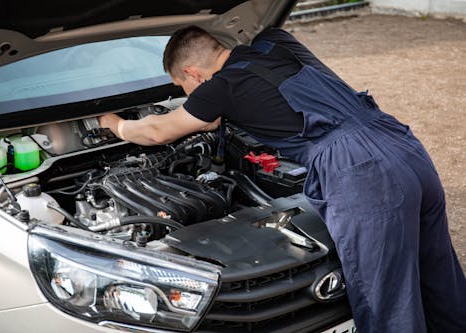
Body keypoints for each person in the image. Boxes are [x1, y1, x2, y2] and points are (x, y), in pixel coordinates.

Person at [99, 26, 466, 332]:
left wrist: (114, 124)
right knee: (436, 269)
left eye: (184, 87)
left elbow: (158, 132)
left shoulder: (219, 87)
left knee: (383, 292)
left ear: (193, 73)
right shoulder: (278, 42)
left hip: (359, 170)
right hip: (398, 142)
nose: (188, 96)